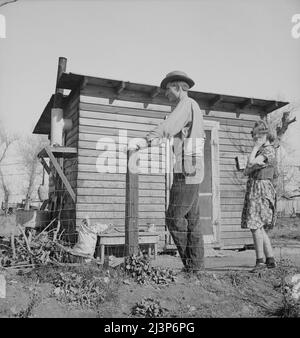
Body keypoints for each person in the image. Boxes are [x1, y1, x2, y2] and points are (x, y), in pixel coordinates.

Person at [129, 71, 206, 273]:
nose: (166, 94)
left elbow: (168, 126)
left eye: (168, 89)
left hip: (187, 166)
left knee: (173, 217)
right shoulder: (193, 107)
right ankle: (196, 267)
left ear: (178, 87)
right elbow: (173, 133)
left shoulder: (186, 104)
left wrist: (146, 139)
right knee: (192, 219)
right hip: (193, 165)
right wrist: (154, 142)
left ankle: (191, 265)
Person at [241, 120, 278, 271]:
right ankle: (270, 259)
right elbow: (246, 170)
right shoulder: (262, 151)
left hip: (261, 189)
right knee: (258, 226)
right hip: (256, 187)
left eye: (256, 136)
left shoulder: (267, 151)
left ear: (264, 135)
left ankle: (260, 261)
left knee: (255, 225)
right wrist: (251, 165)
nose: (254, 139)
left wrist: (255, 149)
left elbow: (250, 163)